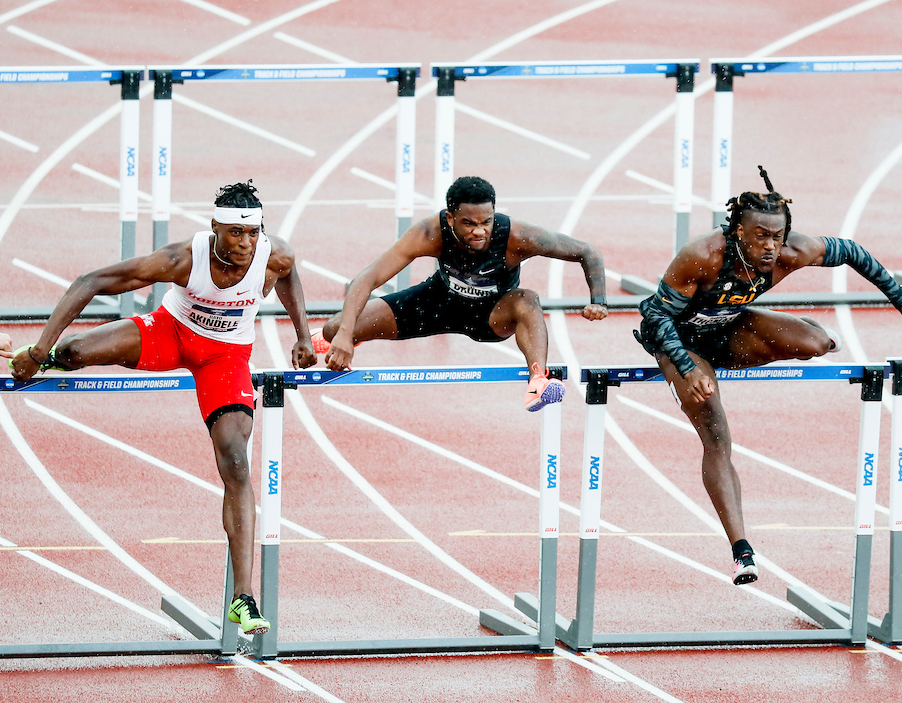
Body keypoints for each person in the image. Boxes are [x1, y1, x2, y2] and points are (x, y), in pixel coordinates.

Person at [9, 180, 316, 635]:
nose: (245, 245)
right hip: (171, 332)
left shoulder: (275, 255)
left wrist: (304, 335)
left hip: (225, 355)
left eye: (252, 235)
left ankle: (243, 598)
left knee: (236, 458)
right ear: (214, 228)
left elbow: (288, 275)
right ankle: (46, 357)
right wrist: (39, 351)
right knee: (73, 354)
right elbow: (89, 281)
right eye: (234, 234)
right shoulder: (182, 259)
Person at [635, 167, 902, 584]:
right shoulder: (703, 255)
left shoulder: (792, 252)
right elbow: (655, 316)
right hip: (680, 339)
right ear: (737, 231)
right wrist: (687, 369)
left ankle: (783, 333)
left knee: (820, 345)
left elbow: (852, 251)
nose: (769, 246)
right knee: (715, 427)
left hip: (729, 329)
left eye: (777, 237)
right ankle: (742, 550)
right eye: (760, 235)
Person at [317, 176, 607, 409]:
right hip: (435, 303)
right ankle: (350, 335)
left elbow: (586, 251)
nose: (479, 231)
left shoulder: (518, 237)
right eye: (469, 223)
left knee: (527, 299)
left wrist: (599, 300)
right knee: (332, 330)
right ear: (451, 218)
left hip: (491, 315)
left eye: (486, 222)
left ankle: (537, 382)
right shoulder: (430, 233)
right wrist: (344, 334)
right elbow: (368, 276)